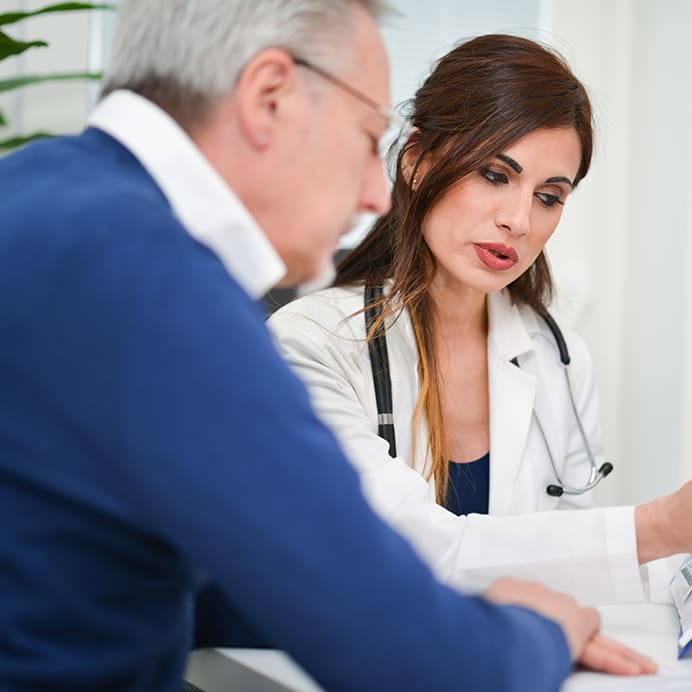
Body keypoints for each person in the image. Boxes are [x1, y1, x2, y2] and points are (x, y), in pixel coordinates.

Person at [0, 2, 655, 690]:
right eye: (367, 133)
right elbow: (411, 655)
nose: (376, 194)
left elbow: (226, 583)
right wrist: (540, 627)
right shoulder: (161, 286)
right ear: (269, 96)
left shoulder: (35, 194)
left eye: (550, 195)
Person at [268, 33, 692, 607]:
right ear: (416, 161)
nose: (519, 220)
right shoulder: (310, 344)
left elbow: (573, 569)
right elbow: (401, 551)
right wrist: (662, 526)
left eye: (549, 196)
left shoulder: (558, 357)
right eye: (496, 175)